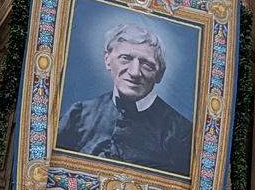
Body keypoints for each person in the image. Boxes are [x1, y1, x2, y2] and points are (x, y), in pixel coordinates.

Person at [56, 23, 193, 176]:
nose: (134, 72)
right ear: (107, 60)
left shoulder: (181, 133)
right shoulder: (79, 115)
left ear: (160, 74)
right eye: (125, 58)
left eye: (146, 64)